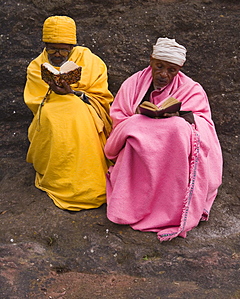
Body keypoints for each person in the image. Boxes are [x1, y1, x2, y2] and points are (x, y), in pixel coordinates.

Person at [104, 37, 222, 241]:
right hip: (139, 148)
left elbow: (204, 123)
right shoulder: (133, 84)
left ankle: (171, 210)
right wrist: (141, 120)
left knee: (178, 129)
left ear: (179, 69)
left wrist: (179, 117)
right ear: (151, 60)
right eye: (159, 67)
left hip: (173, 150)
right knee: (134, 130)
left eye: (171, 70)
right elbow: (119, 118)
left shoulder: (191, 89)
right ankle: (134, 205)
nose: (164, 75)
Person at [24, 16, 113, 211]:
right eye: (52, 48)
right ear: (45, 45)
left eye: (64, 48)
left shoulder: (90, 61)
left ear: (72, 46)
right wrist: (53, 92)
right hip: (50, 110)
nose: (58, 53)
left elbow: (102, 98)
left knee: (76, 114)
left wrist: (74, 93)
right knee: (50, 117)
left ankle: (87, 182)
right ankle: (59, 180)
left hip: (84, 109)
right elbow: (35, 101)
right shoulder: (35, 66)